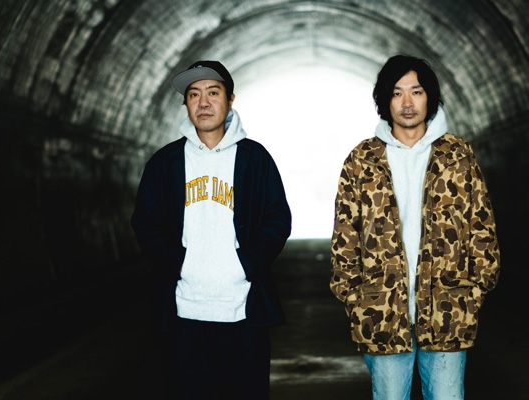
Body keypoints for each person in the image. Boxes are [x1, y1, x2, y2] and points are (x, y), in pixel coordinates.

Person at [330, 54, 500, 400]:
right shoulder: (362, 161)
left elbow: (482, 229)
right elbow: (345, 237)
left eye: (416, 92)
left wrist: (474, 293)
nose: (407, 103)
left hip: (448, 310)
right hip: (381, 313)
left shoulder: (457, 156)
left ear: (430, 97)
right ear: (385, 100)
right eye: (397, 93)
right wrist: (355, 298)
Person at [131, 60, 291, 400]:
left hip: (243, 311)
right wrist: (180, 264)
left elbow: (277, 219)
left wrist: (245, 264)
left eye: (213, 93)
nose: (203, 102)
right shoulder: (165, 163)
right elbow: (146, 222)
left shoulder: (255, 159)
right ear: (186, 103)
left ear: (230, 100)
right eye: (194, 94)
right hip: (183, 311)